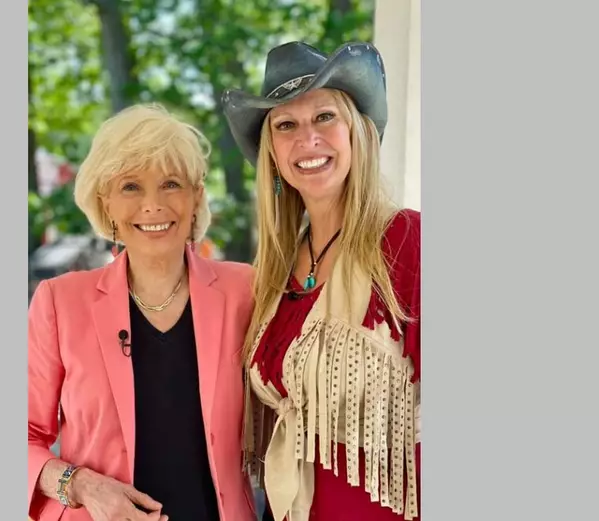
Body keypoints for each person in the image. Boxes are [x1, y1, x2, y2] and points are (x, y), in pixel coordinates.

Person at [220, 41, 421, 521]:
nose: (307, 139)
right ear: (273, 152)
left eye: (324, 117)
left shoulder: (407, 241)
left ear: (357, 132)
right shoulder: (273, 275)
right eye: (286, 125)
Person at [27, 104, 258, 521]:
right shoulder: (59, 302)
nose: (153, 205)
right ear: (106, 203)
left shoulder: (247, 291)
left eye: (171, 184)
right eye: (131, 187)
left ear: (196, 198)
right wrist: (80, 485)